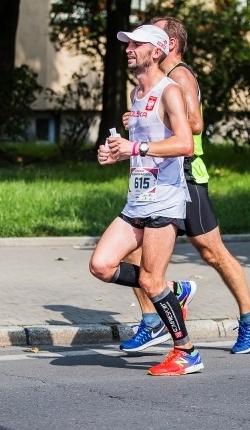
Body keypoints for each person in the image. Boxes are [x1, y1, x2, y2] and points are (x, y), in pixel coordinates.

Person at [119, 16, 250, 355]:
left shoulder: (179, 76)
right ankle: (153, 319)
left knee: (212, 252)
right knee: (132, 249)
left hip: (185, 175)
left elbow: (196, 124)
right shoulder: (149, 83)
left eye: (152, 35)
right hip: (157, 176)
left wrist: (160, 115)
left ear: (167, 44)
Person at [89, 23, 202, 376]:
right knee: (102, 265)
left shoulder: (170, 92)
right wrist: (115, 154)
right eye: (127, 44)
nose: (128, 49)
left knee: (152, 281)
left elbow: (185, 144)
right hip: (136, 199)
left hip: (165, 201)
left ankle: (186, 352)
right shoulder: (136, 94)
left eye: (136, 45)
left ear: (156, 52)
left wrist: (134, 147)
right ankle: (172, 291)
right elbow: (138, 150)